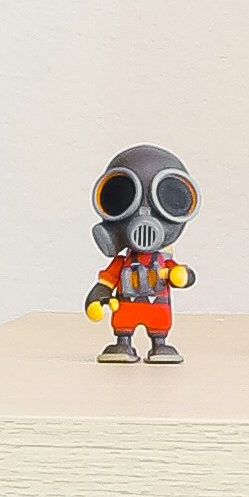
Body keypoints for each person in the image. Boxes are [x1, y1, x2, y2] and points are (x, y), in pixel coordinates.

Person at [86, 143, 197, 364]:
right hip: (126, 307)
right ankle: (123, 344)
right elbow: (106, 282)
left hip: (157, 309)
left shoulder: (165, 263)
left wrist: (182, 276)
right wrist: (98, 296)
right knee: (124, 323)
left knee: (159, 324)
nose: (144, 215)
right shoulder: (122, 262)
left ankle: (160, 345)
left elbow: (186, 276)